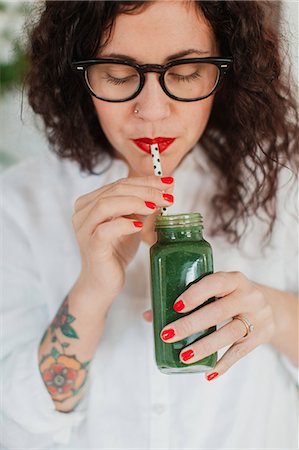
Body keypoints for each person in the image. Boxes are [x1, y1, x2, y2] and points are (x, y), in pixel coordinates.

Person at [1, 1, 298, 448]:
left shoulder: (286, 181)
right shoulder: (19, 203)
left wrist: (269, 311)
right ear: (77, 75)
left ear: (228, 72)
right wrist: (92, 290)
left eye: (186, 73)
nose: (153, 111)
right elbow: (22, 422)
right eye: (118, 76)